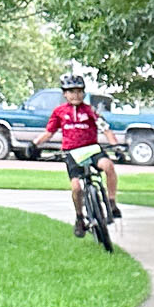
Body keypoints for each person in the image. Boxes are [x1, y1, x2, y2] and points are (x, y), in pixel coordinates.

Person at [35, 73, 121, 238]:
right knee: (76, 187)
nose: (76, 95)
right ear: (65, 94)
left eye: (79, 91)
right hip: (72, 152)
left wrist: (115, 145)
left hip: (92, 149)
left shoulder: (90, 110)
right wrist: (34, 144)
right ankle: (80, 217)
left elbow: (105, 128)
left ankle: (111, 202)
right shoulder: (59, 112)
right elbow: (49, 132)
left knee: (108, 166)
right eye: (71, 92)